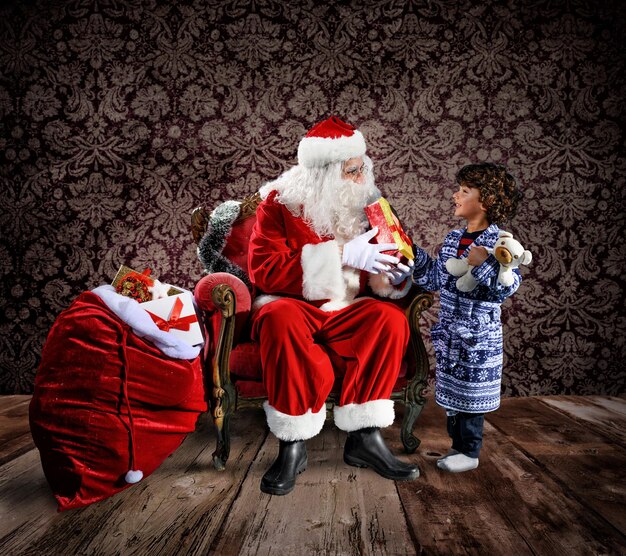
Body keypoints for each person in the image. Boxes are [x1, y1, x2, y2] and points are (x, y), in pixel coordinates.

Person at [248, 116, 419, 495]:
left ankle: (365, 438)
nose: (361, 178)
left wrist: (394, 275)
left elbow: (395, 260)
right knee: (278, 318)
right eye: (352, 171)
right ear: (324, 173)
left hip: (349, 308)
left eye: (363, 168)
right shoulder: (279, 204)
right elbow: (264, 270)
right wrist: (342, 254)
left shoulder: (370, 204)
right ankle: (292, 445)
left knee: (388, 320)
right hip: (294, 304)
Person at [389, 162, 524, 473]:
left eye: (464, 191)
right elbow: (437, 279)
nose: (455, 195)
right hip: (450, 333)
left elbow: (506, 288)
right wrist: (411, 252)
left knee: (471, 395)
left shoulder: (499, 243)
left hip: (478, 334)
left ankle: (469, 450)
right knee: (453, 396)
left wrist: (483, 265)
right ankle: (457, 446)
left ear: (486, 201)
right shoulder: (453, 239)